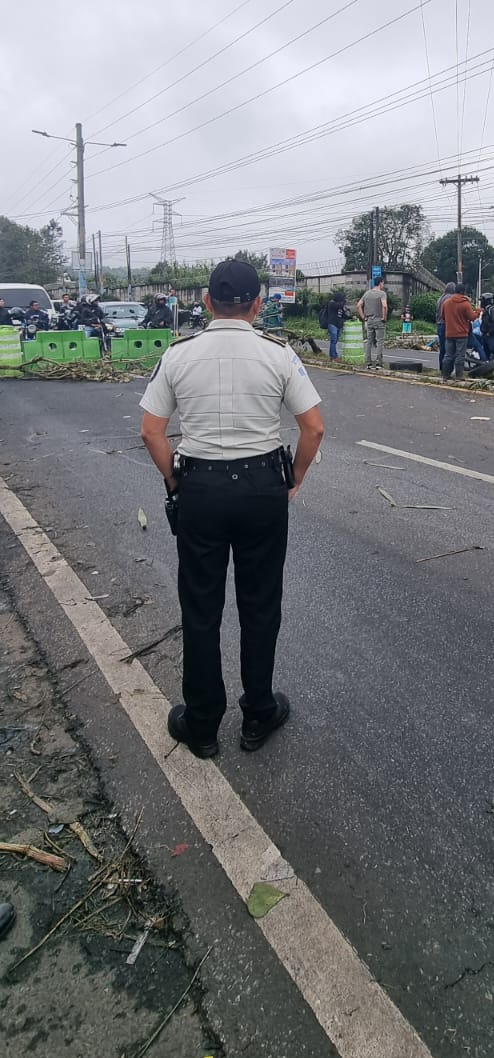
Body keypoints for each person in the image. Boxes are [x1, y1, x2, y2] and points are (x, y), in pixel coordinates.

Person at [139, 259, 324, 758]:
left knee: (201, 608)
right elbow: (313, 428)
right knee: (260, 605)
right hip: (264, 488)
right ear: (258, 304)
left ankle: (201, 724)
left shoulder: (179, 355)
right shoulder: (279, 355)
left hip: (201, 489)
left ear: (205, 302)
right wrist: (296, 477)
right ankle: (258, 714)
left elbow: (151, 431)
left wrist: (177, 482)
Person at [441, 283, 475, 381]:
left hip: (449, 333)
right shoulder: (465, 304)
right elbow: (472, 317)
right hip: (461, 334)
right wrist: (477, 311)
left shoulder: (446, 303)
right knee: (460, 355)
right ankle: (459, 376)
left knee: (448, 355)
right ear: (464, 292)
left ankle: (445, 375)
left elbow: (443, 317)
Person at [357, 274, 388, 370]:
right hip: (379, 320)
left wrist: (363, 317)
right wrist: (384, 317)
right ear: (381, 283)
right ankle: (379, 363)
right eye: (383, 283)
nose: (383, 285)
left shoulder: (367, 293)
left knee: (369, 342)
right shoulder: (382, 294)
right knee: (380, 342)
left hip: (369, 320)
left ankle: (368, 363)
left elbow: (359, 305)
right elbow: (384, 306)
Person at [435, 281, 455, 373]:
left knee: (442, 349)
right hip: (446, 325)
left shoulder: (440, 298)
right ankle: (448, 370)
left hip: (439, 324)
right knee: (449, 349)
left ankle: (441, 368)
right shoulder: (450, 298)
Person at [326, 290, 349, 361]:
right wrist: (344, 302)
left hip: (339, 325)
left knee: (335, 341)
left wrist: (351, 317)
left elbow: (343, 315)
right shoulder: (332, 303)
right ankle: (334, 356)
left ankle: (331, 356)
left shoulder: (340, 306)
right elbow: (338, 305)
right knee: (333, 340)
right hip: (332, 324)